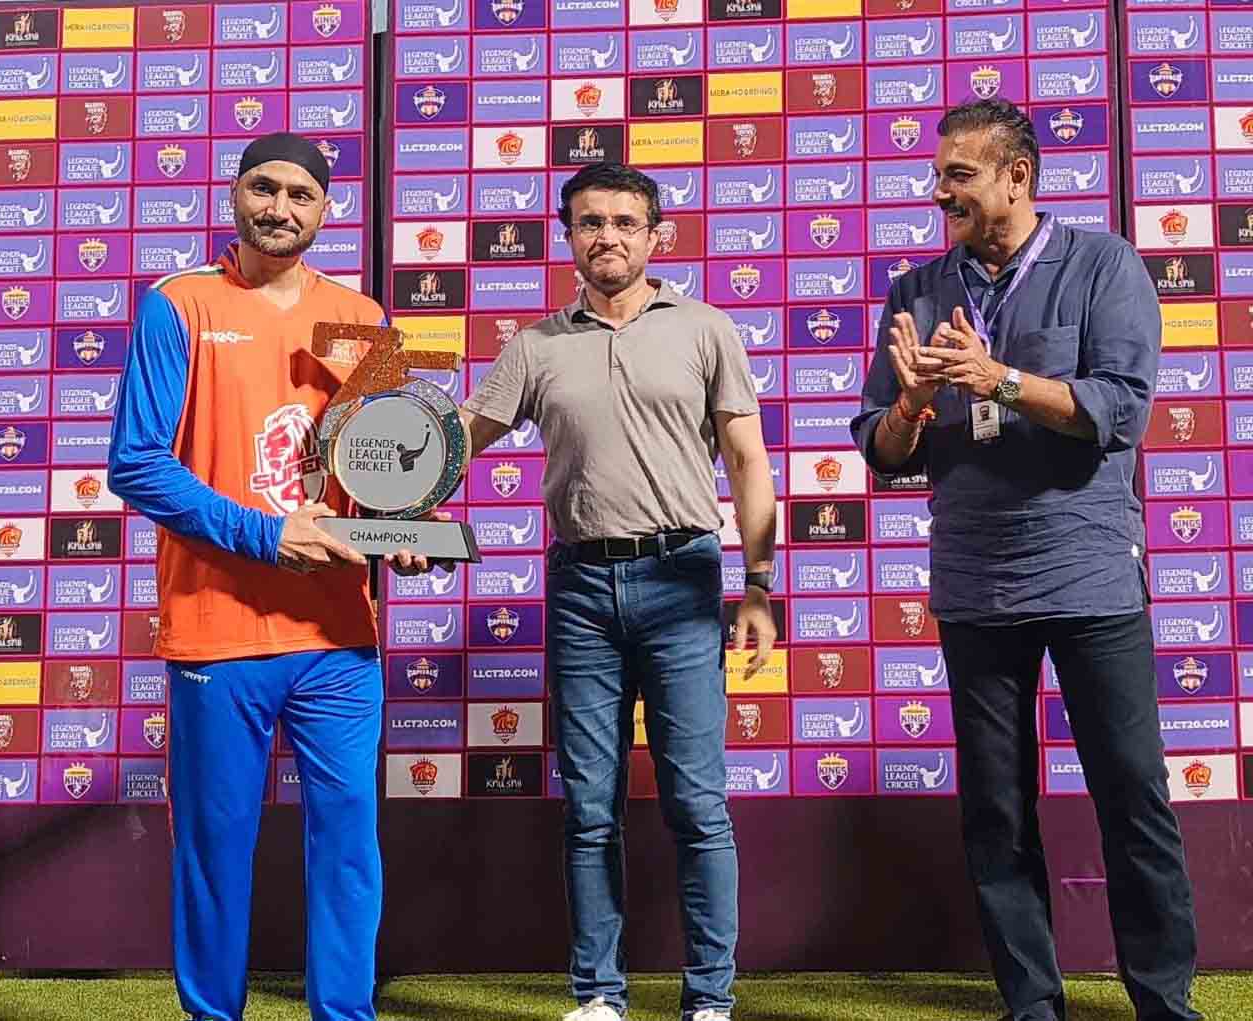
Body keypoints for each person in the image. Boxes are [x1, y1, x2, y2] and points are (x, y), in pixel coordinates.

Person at [851, 98, 1202, 1021]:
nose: (941, 192)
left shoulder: (1104, 265)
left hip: (1089, 579)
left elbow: (1121, 407)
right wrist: (914, 403)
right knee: (998, 814)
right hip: (973, 585)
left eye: (959, 174)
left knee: (1135, 801)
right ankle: (1032, 1005)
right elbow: (884, 451)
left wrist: (1001, 377)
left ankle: (1164, 1001)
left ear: (1018, 176)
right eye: (938, 175)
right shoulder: (917, 290)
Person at [109, 132, 433, 1021]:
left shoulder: (365, 316)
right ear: (235, 196)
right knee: (216, 847)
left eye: (301, 194)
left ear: (326, 211)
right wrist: (264, 534)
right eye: (265, 188)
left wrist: (401, 527)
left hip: (337, 635)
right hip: (218, 625)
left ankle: (345, 1014)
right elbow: (136, 462)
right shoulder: (180, 305)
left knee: (349, 847)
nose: (280, 207)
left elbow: (385, 466)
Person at [459, 162, 778, 1021]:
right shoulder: (535, 344)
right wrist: (366, 464)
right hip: (579, 587)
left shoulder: (707, 328)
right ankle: (599, 994)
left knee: (698, 803)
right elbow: (456, 442)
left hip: (683, 576)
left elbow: (748, 461)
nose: (607, 236)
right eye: (590, 221)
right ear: (568, 236)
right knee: (590, 807)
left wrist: (759, 585)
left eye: (625, 222)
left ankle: (710, 998)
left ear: (655, 235)